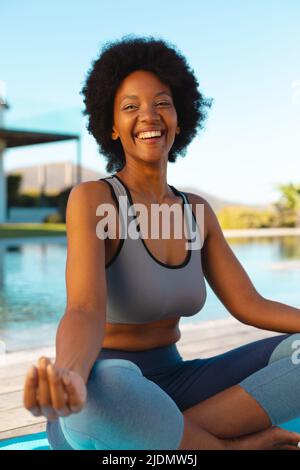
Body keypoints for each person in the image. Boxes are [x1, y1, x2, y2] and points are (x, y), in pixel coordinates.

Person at [23, 35, 300, 450]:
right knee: (109, 386)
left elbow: (249, 305)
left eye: (162, 103)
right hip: (106, 391)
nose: (148, 116)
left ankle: (169, 437)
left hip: (176, 384)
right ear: (112, 125)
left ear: (180, 117)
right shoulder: (94, 200)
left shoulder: (197, 212)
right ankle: (225, 446)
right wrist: (70, 376)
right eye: (130, 106)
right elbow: (83, 309)